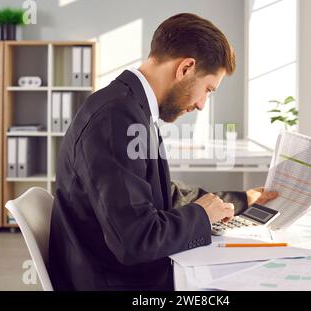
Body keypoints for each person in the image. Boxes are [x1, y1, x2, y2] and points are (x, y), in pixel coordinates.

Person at [49, 13, 277, 291]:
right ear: (186, 68)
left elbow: (161, 193)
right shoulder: (116, 116)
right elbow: (135, 240)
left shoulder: (131, 108)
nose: (202, 104)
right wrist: (202, 216)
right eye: (207, 89)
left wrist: (240, 200)